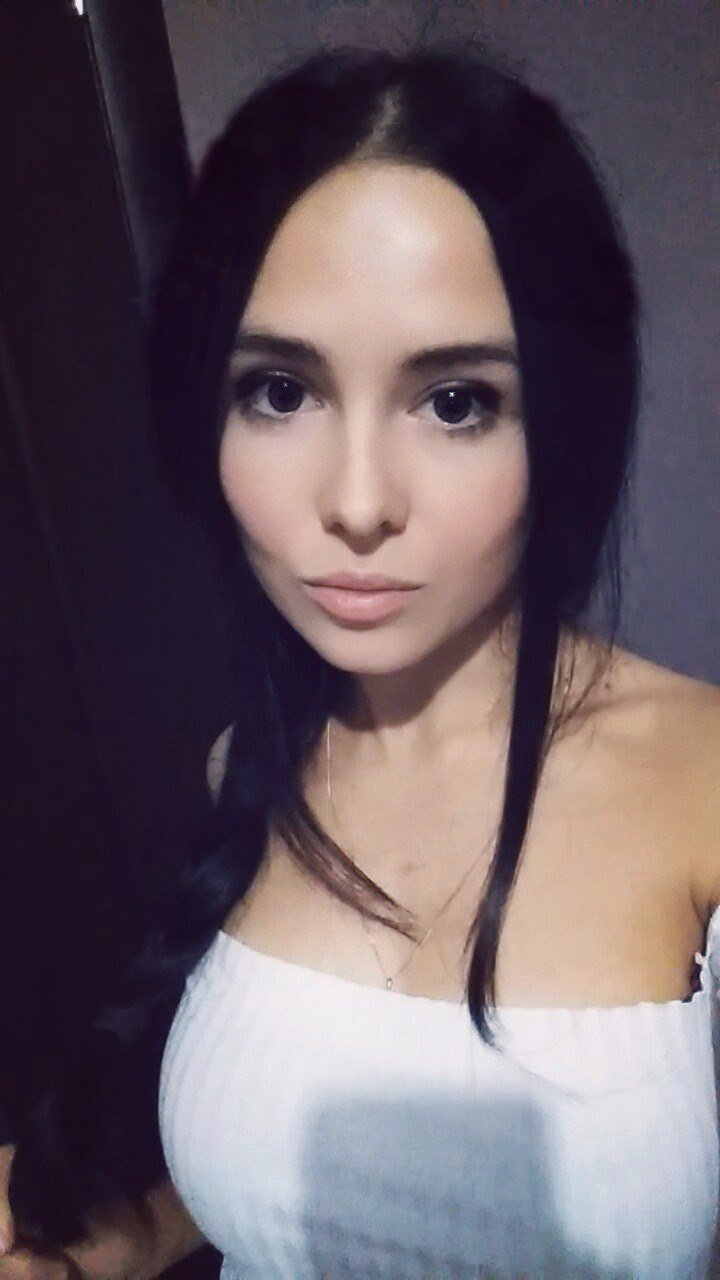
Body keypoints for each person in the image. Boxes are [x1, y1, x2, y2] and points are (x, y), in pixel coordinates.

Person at [3, 38, 719, 1280]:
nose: (356, 501)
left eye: (456, 401)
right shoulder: (252, 757)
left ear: (564, 419)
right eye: (281, 391)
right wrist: (128, 1237)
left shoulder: (702, 786)